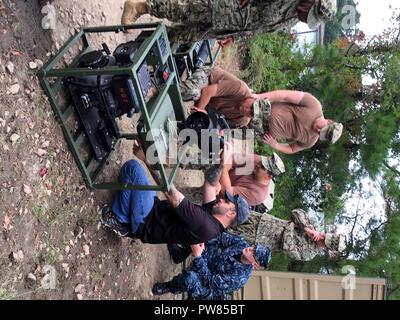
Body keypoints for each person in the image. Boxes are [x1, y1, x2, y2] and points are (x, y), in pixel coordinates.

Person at [100, 142, 250, 244]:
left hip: (145, 221)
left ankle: (120, 221)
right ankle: (126, 217)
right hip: (152, 209)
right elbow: (210, 184)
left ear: (231, 213)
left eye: (227, 201)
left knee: (132, 168)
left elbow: (171, 193)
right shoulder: (214, 217)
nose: (221, 199)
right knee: (133, 179)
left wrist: (147, 160)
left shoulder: (205, 225)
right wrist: (221, 163)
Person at [121, 0, 337, 43]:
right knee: (184, 10)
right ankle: (141, 6)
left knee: (185, 35)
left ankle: (141, 45)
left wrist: (235, 37)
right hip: (227, 6)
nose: (304, 18)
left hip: (229, 27)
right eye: (309, 14)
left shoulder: (291, 21)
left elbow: (260, 29)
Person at [152, 232, 271, 299]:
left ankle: (170, 286)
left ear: (255, 264)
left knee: (190, 278)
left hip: (207, 288)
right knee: (204, 234)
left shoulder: (240, 278)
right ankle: (179, 254)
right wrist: (202, 239)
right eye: (255, 247)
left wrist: (198, 257)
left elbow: (209, 280)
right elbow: (220, 237)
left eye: (254, 253)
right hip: (210, 262)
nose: (251, 249)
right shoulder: (242, 244)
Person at [229, 208, 346, 261]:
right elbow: (296, 212)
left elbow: (287, 247)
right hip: (262, 220)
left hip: (258, 238)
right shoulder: (314, 225)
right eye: (324, 235)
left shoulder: (309, 254)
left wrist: (290, 226)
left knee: (224, 230)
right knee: (228, 213)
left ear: (325, 248)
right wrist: (306, 228)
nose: (320, 237)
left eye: (323, 240)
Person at [251, 89, 343, 154]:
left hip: (260, 132)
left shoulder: (311, 141)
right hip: (261, 109)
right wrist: (259, 97)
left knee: (238, 139)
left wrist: (275, 145)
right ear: (329, 121)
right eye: (322, 129)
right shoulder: (314, 105)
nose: (318, 131)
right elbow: (285, 95)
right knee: (239, 107)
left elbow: (292, 149)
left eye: (321, 134)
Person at [179, 65, 271, 128]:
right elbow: (207, 91)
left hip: (211, 105)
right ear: (253, 98)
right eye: (251, 106)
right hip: (209, 78)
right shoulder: (240, 89)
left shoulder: (242, 121)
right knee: (193, 92)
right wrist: (199, 113)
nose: (247, 110)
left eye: (251, 113)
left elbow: (220, 127)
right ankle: (167, 88)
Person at [220, 152, 285, 206]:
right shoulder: (258, 160)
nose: (258, 165)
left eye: (262, 167)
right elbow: (231, 158)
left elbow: (226, 192)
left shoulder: (258, 194)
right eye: (262, 162)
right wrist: (224, 166)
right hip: (219, 174)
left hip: (219, 200)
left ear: (268, 177)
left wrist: (224, 167)